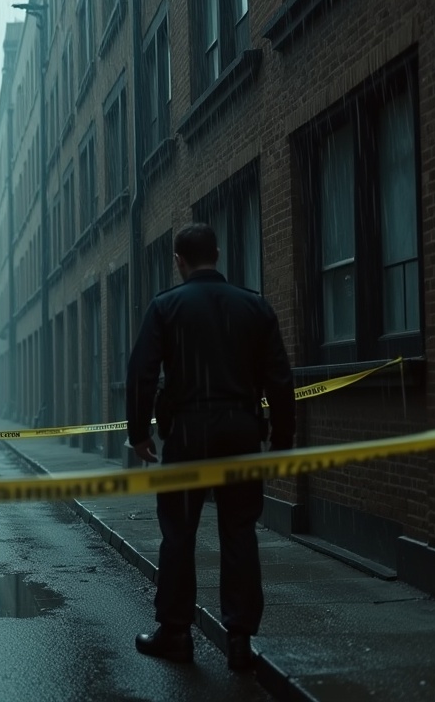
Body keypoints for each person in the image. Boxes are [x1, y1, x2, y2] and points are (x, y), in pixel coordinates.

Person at [125, 223, 295, 672]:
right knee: (240, 531)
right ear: (217, 254)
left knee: (179, 533)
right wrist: (282, 439)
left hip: (187, 433)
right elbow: (280, 377)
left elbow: (142, 371)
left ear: (179, 261)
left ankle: (176, 633)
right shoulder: (254, 306)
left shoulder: (166, 307)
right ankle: (240, 638)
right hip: (241, 429)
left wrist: (139, 431)